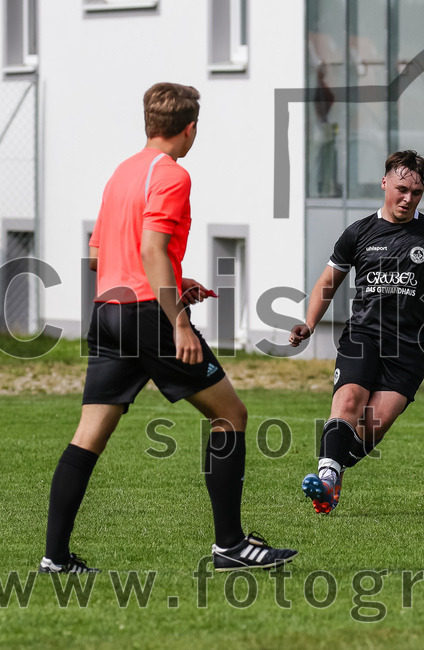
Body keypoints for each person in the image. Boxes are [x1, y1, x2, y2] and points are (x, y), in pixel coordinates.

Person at [39, 83, 296, 574]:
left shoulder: (121, 173)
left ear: (149, 121)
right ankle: (230, 546)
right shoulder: (172, 174)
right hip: (147, 317)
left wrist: (175, 284)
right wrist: (178, 320)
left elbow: (96, 257)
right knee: (230, 415)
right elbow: (151, 250)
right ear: (190, 128)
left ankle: (55, 557)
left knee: (87, 436)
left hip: (108, 312)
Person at [290, 151, 424, 514]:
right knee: (348, 402)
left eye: (416, 193)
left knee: (372, 426)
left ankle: (335, 472)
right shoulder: (358, 232)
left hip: (410, 348)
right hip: (363, 336)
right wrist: (310, 323)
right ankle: (326, 479)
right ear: (384, 183)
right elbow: (328, 281)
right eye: (402, 189)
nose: (408, 198)